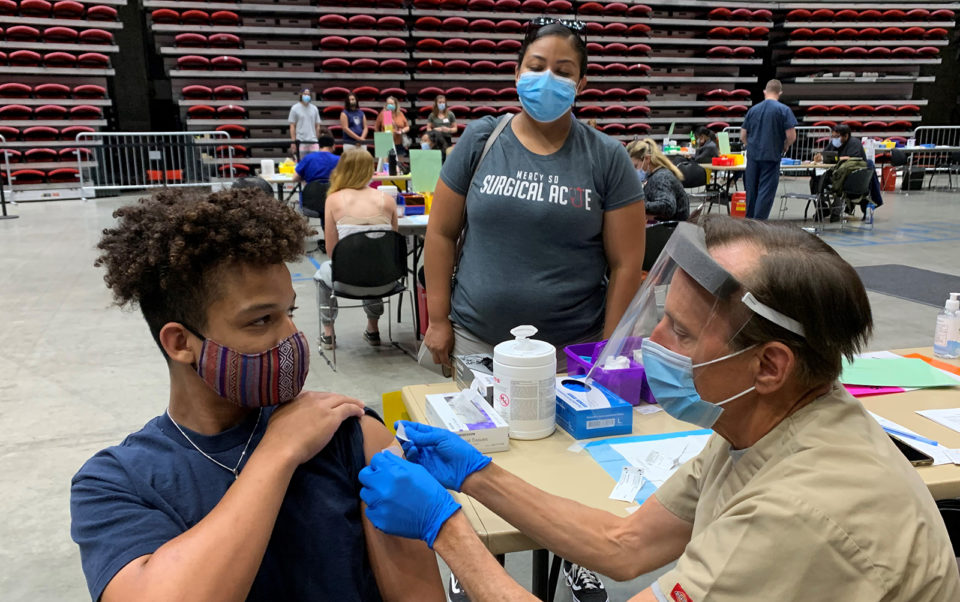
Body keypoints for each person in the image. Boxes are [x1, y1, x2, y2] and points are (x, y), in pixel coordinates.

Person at [358, 216, 960, 602]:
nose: (654, 344)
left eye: (682, 332)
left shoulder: (799, 515)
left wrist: (448, 531)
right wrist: (477, 475)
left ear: (769, 366)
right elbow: (626, 543)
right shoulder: (758, 425)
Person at [71, 188, 443, 602]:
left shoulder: (346, 433)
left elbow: (419, 595)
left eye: (290, 312)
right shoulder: (116, 483)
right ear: (180, 343)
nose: (291, 337)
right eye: (261, 320)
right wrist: (277, 452)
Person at [422, 19, 646, 600]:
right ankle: (474, 560)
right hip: (478, 341)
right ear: (518, 70)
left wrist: (608, 348)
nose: (548, 79)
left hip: (570, 352)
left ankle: (575, 554)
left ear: (582, 82)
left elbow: (628, 263)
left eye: (564, 71)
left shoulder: (605, 157)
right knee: (477, 461)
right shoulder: (482, 140)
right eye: (537, 66)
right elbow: (440, 234)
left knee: (566, 465)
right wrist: (439, 319)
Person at [315, 149, 399, 350]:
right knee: (375, 261)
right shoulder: (388, 200)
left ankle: (328, 333)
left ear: (342, 169)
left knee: (321, 275)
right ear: (370, 170)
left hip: (347, 283)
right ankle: (373, 329)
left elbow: (332, 252)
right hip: (385, 282)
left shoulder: (333, 199)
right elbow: (390, 248)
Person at [739, 79, 797, 220]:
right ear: (780, 93)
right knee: (765, 192)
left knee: (751, 191)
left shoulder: (753, 110)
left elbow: (743, 135)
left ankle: (749, 223)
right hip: (771, 156)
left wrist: (750, 146)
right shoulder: (784, 110)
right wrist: (785, 145)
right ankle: (759, 224)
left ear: (765, 91)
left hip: (753, 157)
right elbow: (791, 135)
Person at [811, 124, 884, 219]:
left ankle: (836, 211)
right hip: (836, 173)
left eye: (837, 137)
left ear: (846, 136)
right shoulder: (833, 144)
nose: (834, 139)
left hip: (852, 177)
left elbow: (851, 159)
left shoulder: (854, 143)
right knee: (814, 180)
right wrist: (820, 156)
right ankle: (822, 208)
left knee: (837, 181)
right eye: (833, 136)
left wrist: (837, 159)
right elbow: (825, 154)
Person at [626, 138, 689, 222]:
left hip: (672, 227)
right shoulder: (655, 174)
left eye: (635, 166)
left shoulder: (661, 177)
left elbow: (667, 206)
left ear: (647, 159)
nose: (634, 171)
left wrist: (637, 206)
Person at [288, 87, 322, 159]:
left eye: (308, 94)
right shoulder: (295, 108)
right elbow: (292, 126)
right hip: (301, 141)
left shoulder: (314, 108)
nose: (306, 96)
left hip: (313, 141)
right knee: (302, 161)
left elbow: (317, 125)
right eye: (305, 94)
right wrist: (293, 141)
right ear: (301, 95)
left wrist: (316, 138)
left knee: (314, 161)